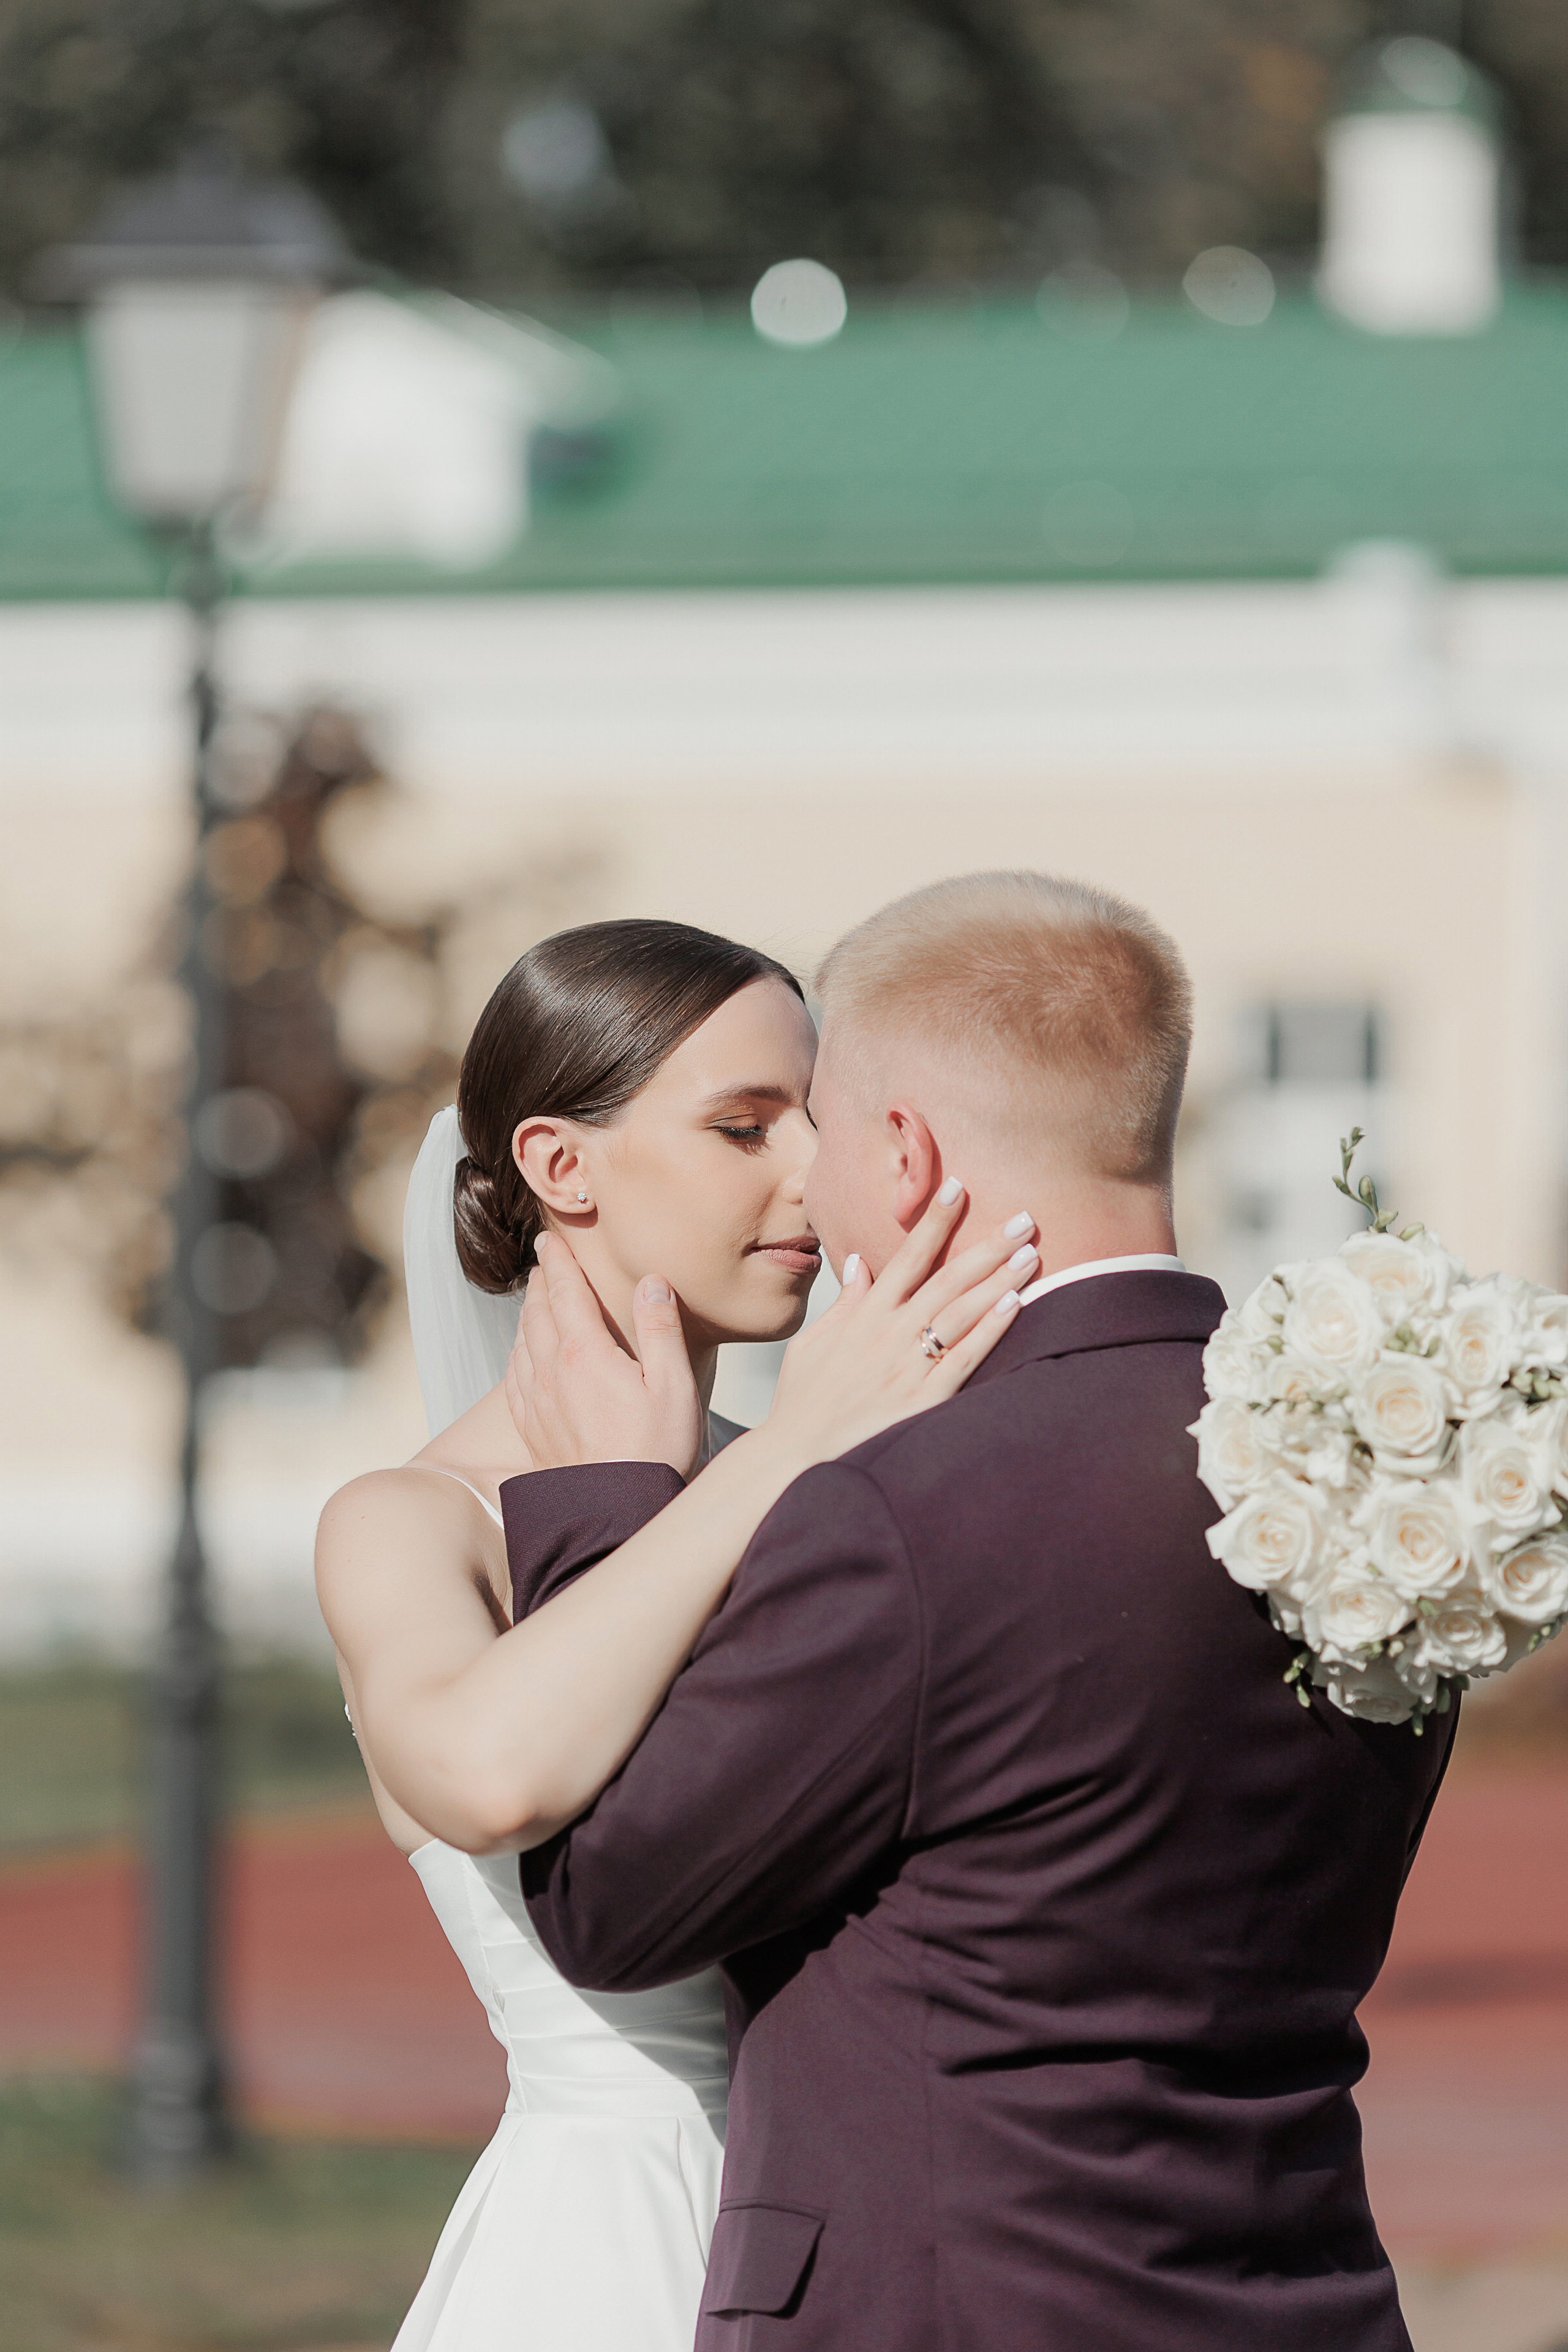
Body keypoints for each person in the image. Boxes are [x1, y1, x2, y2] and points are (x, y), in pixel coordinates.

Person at [500, 871, 1455, 2352]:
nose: (801, 1187)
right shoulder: (1380, 1474)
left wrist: (608, 1512)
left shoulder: (902, 1506)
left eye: (813, 1130)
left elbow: (612, 1904)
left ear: (901, 1147)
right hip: (1302, 2300)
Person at [314, 916, 1035, 2352]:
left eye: (812, 1125)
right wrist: (780, 1458)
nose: (806, 1179)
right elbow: (490, 1777)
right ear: (558, 1166)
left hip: (876, 2230)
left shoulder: (837, 1466)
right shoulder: (410, 1522)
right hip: (611, 2247)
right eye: (741, 1127)